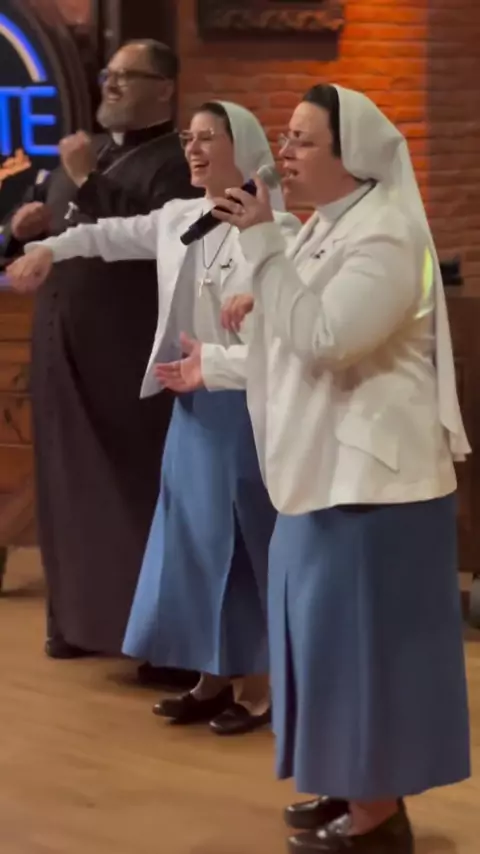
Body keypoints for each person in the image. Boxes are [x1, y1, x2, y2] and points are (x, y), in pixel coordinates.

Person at [157, 85, 471, 850]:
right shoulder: (325, 226)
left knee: (365, 655)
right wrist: (215, 365)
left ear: (349, 154)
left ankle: (377, 818)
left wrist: (264, 248)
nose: (284, 153)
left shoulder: (388, 235)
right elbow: (283, 348)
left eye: (302, 139)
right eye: (286, 137)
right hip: (317, 477)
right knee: (319, 644)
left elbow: (326, 341)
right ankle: (344, 783)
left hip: (373, 488)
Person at [6, 101, 300, 736]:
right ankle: (210, 678)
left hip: (245, 401)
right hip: (190, 401)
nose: (193, 148)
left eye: (208, 138)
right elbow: (105, 236)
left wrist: (225, 345)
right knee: (192, 544)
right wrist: (48, 248)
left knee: (243, 544)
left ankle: (259, 686)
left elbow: (283, 325)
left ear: (242, 148)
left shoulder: (275, 228)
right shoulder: (180, 218)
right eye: (189, 138)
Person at [0, 40, 202, 685]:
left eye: (127, 77)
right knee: (66, 488)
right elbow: (60, 235)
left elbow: (158, 242)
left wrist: (88, 180)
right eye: (107, 76)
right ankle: (79, 623)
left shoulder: (177, 165)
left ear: (165, 88)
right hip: (62, 348)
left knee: (134, 493)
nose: (110, 85)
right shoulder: (87, 154)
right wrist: (26, 230)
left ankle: (162, 643)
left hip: (128, 355)